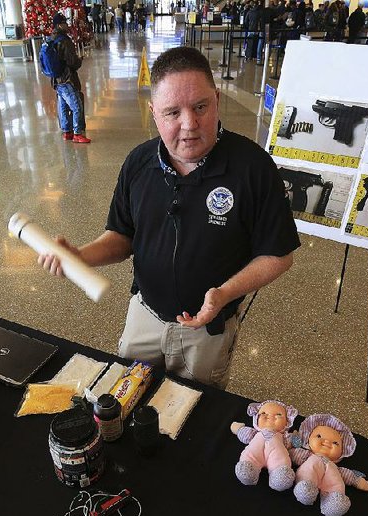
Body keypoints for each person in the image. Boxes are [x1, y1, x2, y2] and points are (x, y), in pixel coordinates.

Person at [37, 47, 299, 388]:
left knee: (195, 412)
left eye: (201, 107)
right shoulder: (139, 163)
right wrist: (81, 256)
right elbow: (122, 235)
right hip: (144, 315)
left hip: (207, 330)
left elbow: (278, 254)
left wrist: (224, 293)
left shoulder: (253, 168)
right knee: (126, 395)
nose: (189, 124)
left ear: (217, 100)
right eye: (172, 112)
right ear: (153, 113)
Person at [48, 14, 91, 144]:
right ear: (59, 25)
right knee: (76, 106)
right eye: (64, 23)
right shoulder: (65, 41)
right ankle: (77, 133)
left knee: (64, 106)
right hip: (67, 79)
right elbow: (72, 62)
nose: (67, 25)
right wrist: (79, 60)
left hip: (57, 80)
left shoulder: (52, 38)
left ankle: (67, 132)